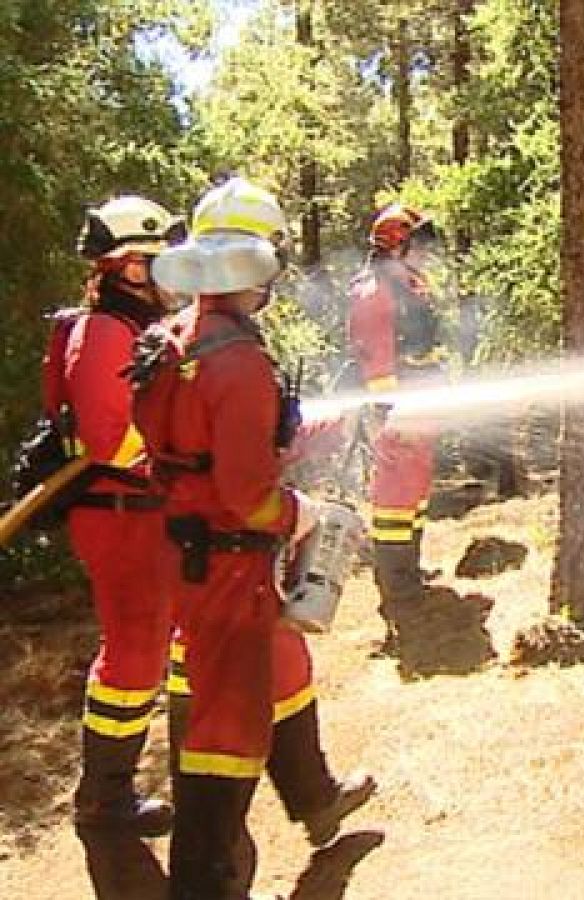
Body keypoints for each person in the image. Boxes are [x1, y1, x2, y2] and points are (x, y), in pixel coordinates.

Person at [138, 177, 374, 899]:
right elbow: (245, 494)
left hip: (191, 553)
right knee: (225, 733)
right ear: (252, 263)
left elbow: (199, 451)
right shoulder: (237, 360)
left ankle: (316, 798)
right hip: (232, 564)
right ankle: (205, 886)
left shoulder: (172, 340)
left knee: (277, 668)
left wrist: (328, 426)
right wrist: (298, 514)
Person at [53, 196, 185, 839]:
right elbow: (112, 438)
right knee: (133, 657)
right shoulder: (104, 331)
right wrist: (186, 460)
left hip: (141, 511)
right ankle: (103, 799)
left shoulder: (134, 328)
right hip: (117, 514)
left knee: (164, 640)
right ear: (129, 266)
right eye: (157, 265)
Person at [346, 203, 444, 629]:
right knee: (395, 500)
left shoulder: (409, 284)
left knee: (416, 494)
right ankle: (397, 590)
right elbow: (377, 360)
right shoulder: (375, 291)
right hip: (398, 414)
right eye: (417, 243)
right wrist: (391, 413)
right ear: (396, 244)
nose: (425, 251)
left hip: (419, 408)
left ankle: (411, 572)